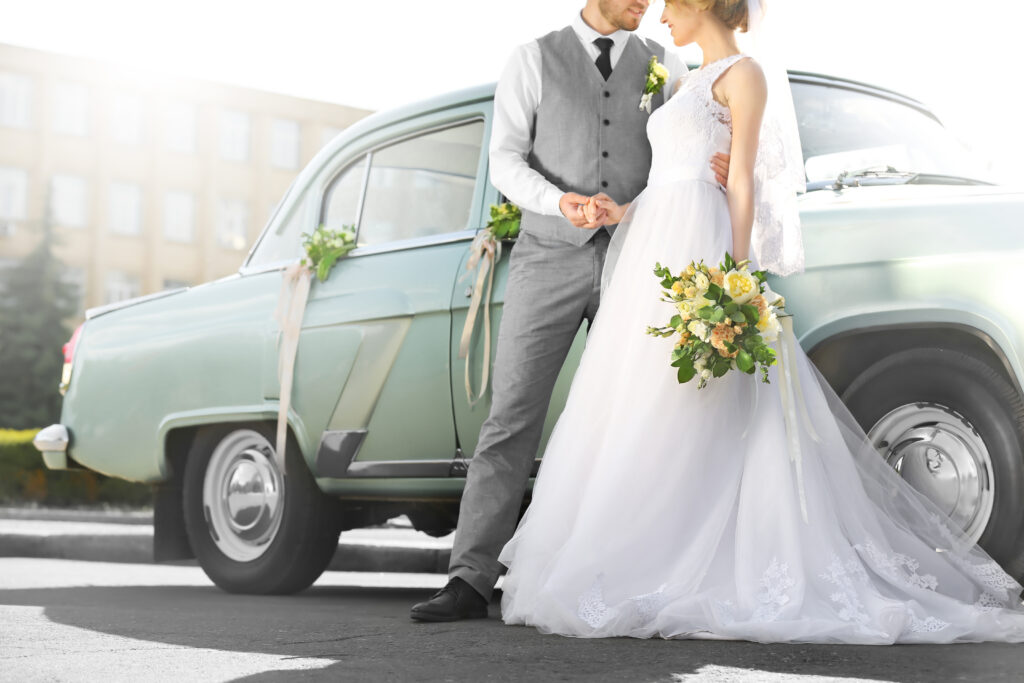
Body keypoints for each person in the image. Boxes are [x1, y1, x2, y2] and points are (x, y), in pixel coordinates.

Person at [497, 0, 1024, 643]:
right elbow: (670, 178)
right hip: (651, 249)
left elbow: (741, 180)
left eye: (671, 6)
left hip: (699, 250)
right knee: (640, 405)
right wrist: (617, 212)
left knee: (699, 404)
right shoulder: (683, 77)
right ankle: (649, 549)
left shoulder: (745, 74)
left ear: (699, 4)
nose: (663, 17)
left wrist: (735, 279)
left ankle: (693, 556)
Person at [410, 0, 730, 622]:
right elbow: (504, 159)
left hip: (643, 258)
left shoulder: (665, 60)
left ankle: (636, 571)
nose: (648, 4)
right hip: (547, 257)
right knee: (512, 416)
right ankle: (470, 577)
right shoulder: (532, 59)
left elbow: (697, 133)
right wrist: (561, 203)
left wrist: (723, 158)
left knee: (646, 414)